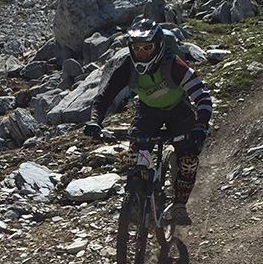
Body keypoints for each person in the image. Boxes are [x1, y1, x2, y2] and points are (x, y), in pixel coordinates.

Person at [83, 18, 213, 224]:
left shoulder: (175, 65)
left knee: (188, 158)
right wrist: (95, 121)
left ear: (159, 46)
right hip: (148, 110)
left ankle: (179, 205)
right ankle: (134, 200)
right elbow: (105, 96)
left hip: (179, 109)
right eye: (136, 48)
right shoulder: (128, 66)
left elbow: (203, 96)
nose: (141, 53)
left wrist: (200, 126)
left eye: (147, 47)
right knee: (134, 156)